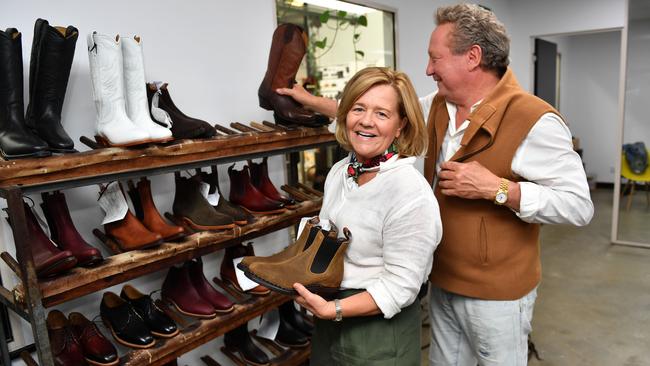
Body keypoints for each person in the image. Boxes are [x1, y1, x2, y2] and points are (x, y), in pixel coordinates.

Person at [279, 4, 594, 366]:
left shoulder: (534, 120)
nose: (428, 69)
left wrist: (498, 189)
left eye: (435, 58)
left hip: (497, 297)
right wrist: (306, 100)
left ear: (472, 57)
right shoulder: (438, 107)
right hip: (442, 282)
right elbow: (375, 112)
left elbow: (578, 205)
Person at [291, 66, 442, 365]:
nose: (366, 121)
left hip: (378, 330)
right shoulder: (340, 172)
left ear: (401, 126)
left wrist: (332, 310)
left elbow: (401, 286)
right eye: (358, 108)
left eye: (382, 114)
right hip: (330, 316)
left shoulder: (409, 192)